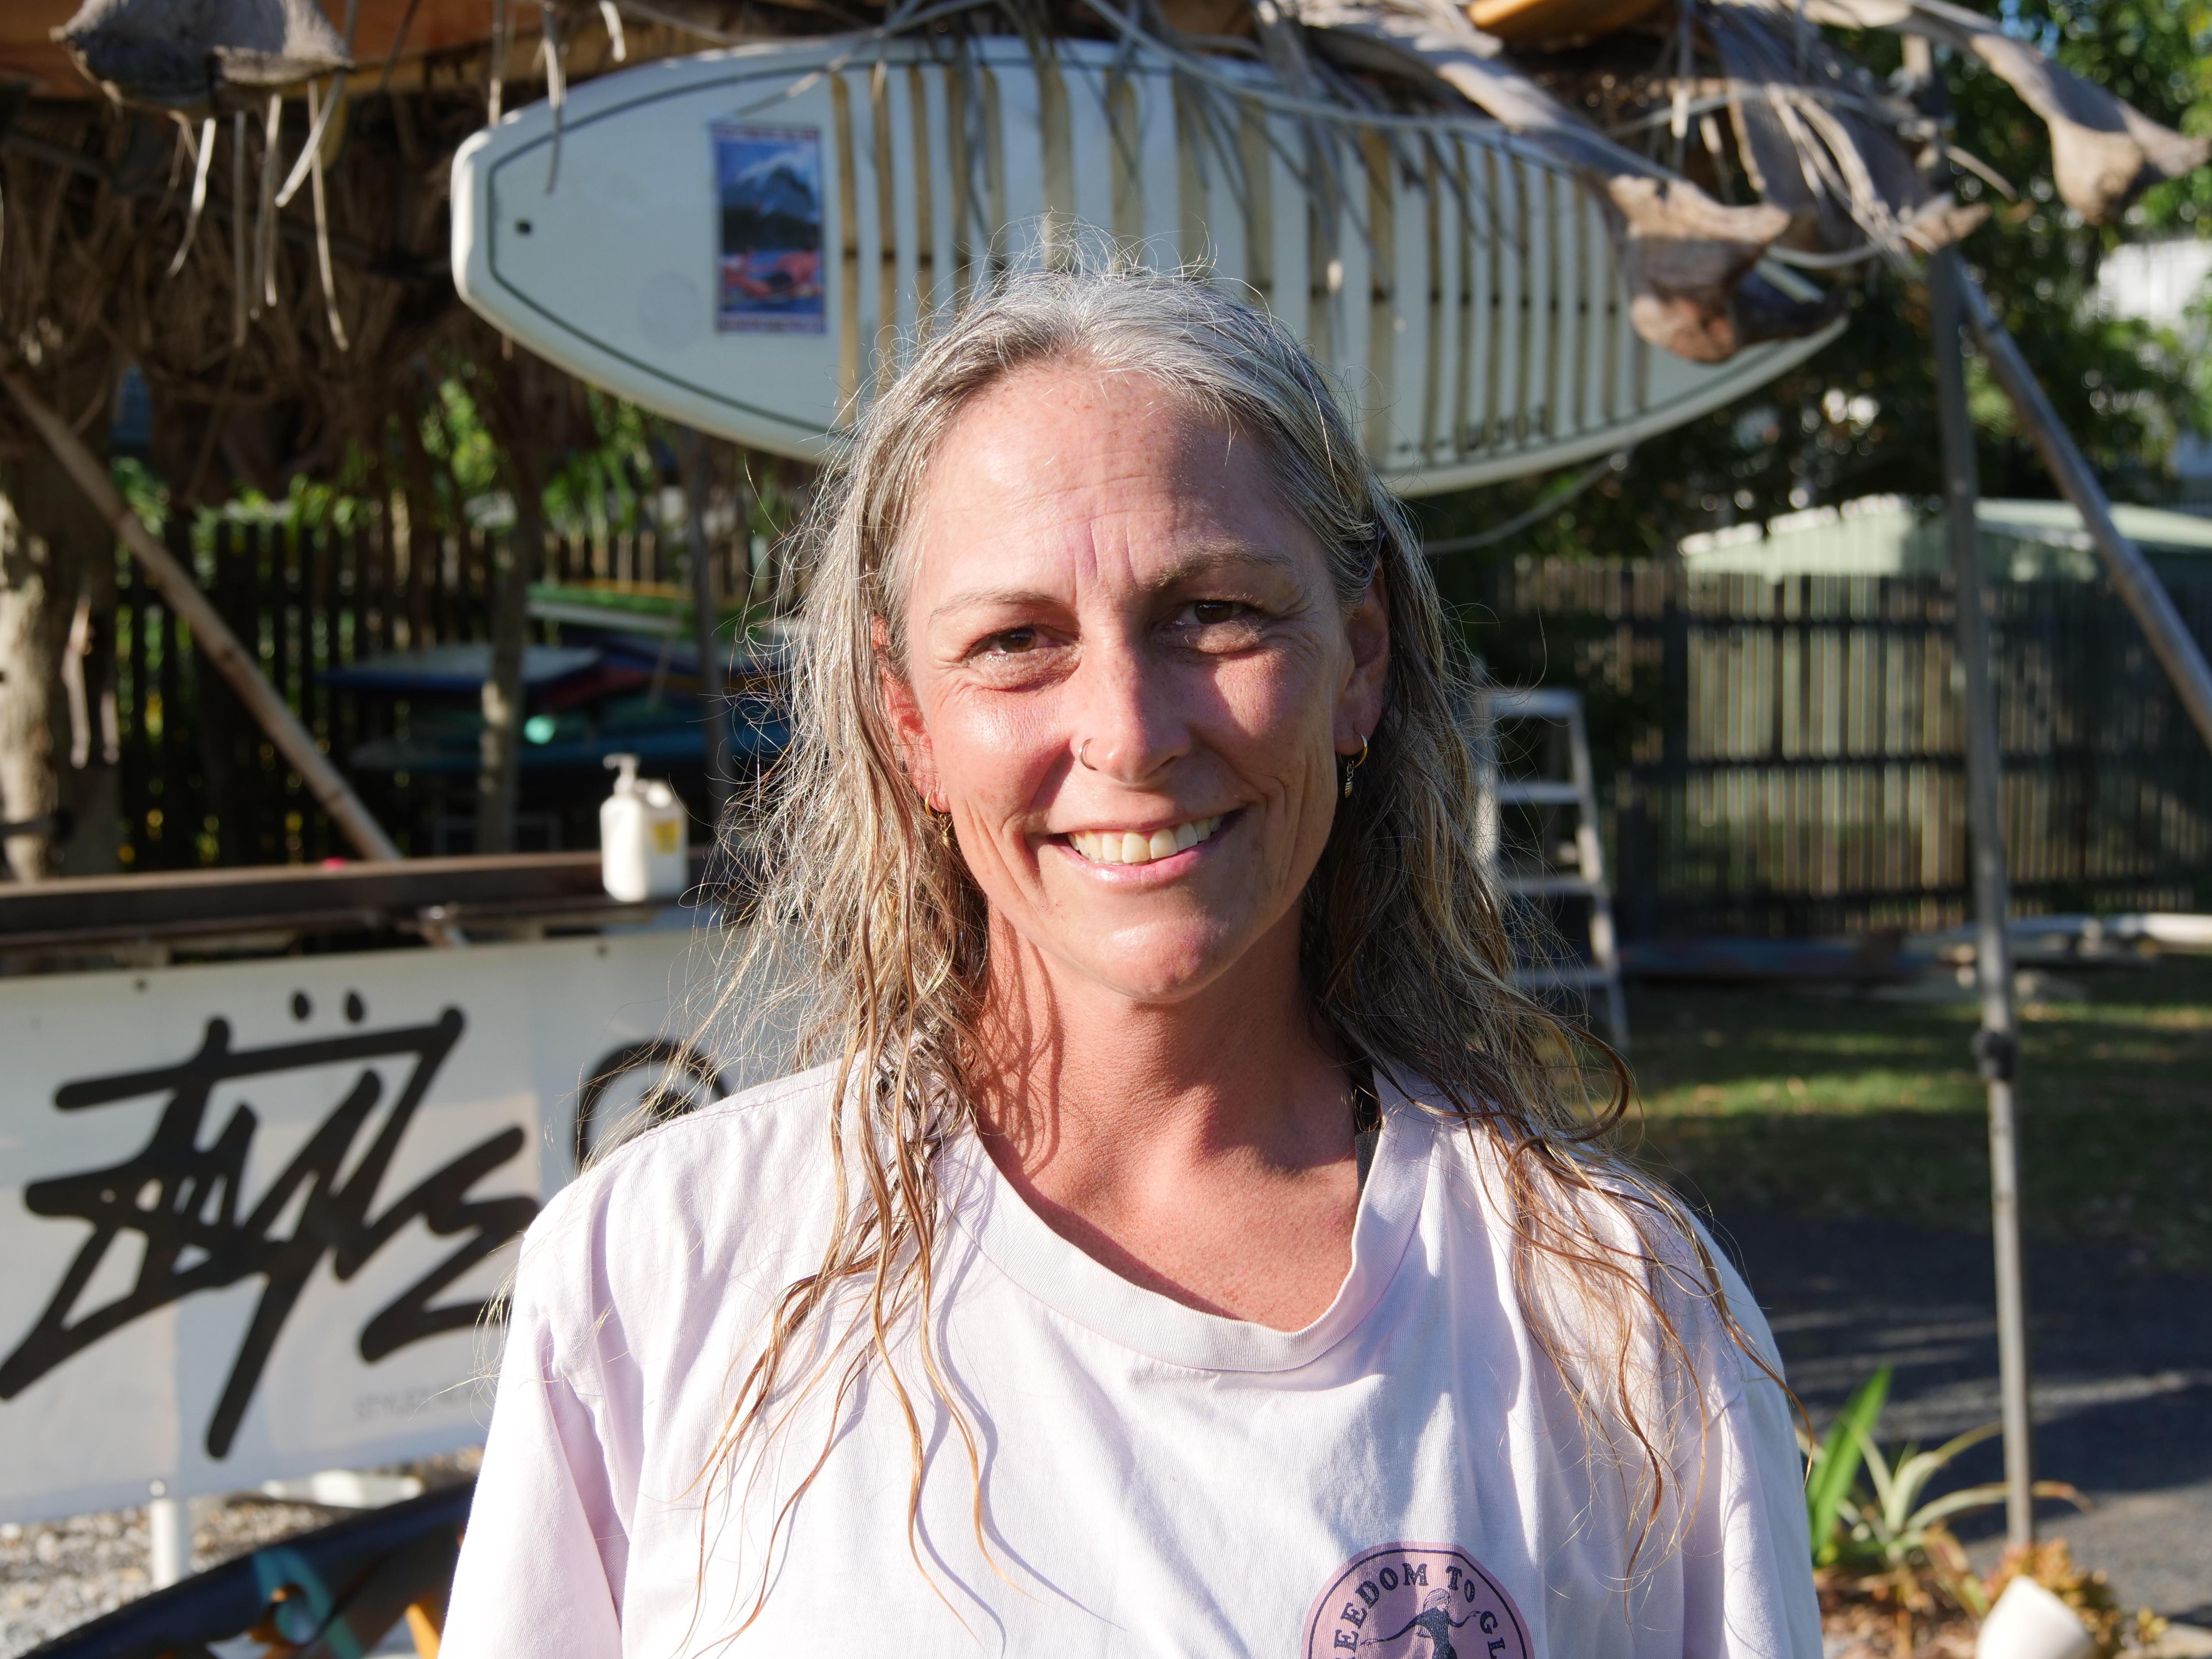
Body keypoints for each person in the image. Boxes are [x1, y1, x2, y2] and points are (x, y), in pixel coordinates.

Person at [442, 266, 1820, 1657]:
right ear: (909, 722)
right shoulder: (663, 1272)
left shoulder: (1612, 1317)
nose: (1130, 732)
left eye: (1214, 612)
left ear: (1359, 662)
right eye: (1016, 641)